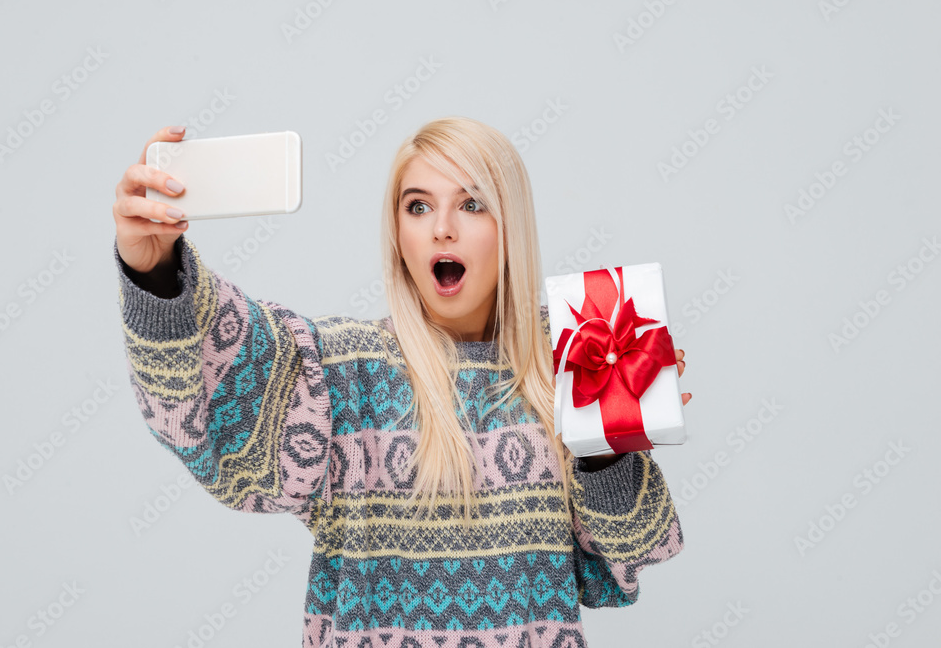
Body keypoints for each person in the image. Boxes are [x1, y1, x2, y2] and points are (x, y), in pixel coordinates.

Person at [111, 117, 690, 647]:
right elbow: (211, 400)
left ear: (510, 224)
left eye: (472, 204)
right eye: (417, 207)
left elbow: (630, 558)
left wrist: (607, 444)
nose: (442, 229)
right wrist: (155, 268)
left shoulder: (572, 363)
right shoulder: (344, 372)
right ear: (397, 230)